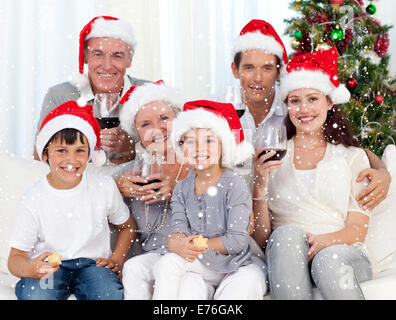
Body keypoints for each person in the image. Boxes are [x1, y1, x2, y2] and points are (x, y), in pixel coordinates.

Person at [232, 19, 391, 212]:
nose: (258, 78)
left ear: (278, 72)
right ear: (236, 70)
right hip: (230, 209)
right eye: (249, 67)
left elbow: (352, 149)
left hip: (263, 211)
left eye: (267, 68)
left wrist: (384, 172)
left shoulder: (293, 110)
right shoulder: (220, 112)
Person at [253, 48, 375, 299]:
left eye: (312, 99)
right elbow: (263, 239)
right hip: (287, 257)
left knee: (327, 260)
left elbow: (357, 229)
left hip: (342, 253)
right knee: (286, 235)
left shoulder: (351, 157)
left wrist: (323, 242)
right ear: (287, 105)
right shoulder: (273, 157)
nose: (303, 109)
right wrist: (260, 185)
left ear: (329, 102)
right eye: (295, 100)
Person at [8, 101, 135, 300]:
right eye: (61, 151)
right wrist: (29, 268)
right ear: (45, 153)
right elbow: (14, 259)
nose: (71, 160)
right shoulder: (33, 199)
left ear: (90, 154)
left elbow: (127, 226)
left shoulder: (104, 187)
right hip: (51, 267)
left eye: (79, 151)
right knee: (36, 295)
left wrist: (117, 258)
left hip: (92, 267)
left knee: (107, 294)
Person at [152, 100, 267, 300]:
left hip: (236, 264)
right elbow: (179, 229)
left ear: (224, 146)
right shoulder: (182, 188)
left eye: (209, 140)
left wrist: (197, 242)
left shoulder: (235, 185)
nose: (199, 149)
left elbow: (237, 241)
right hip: (201, 262)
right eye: (190, 141)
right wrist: (176, 241)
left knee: (241, 289)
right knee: (168, 264)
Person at [34, 16, 149, 164]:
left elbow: (169, 157)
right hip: (80, 184)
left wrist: (130, 149)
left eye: (117, 55)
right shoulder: (59, 96)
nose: (107, 66)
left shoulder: (149, 94)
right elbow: (40, 158)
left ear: (129, 60)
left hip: (134, 184)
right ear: (86, 57)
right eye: (98, 54)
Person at [116, 81, 194, 299]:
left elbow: (222, 207)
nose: (156, 129)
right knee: (133, 268)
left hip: (196, 253)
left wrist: (178, 190)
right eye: (145, 124)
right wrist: (115, 187)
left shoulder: (200, 161)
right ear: (137, 133)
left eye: (164, 119)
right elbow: (88, 197)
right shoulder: (132, 172)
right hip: (155, 257)